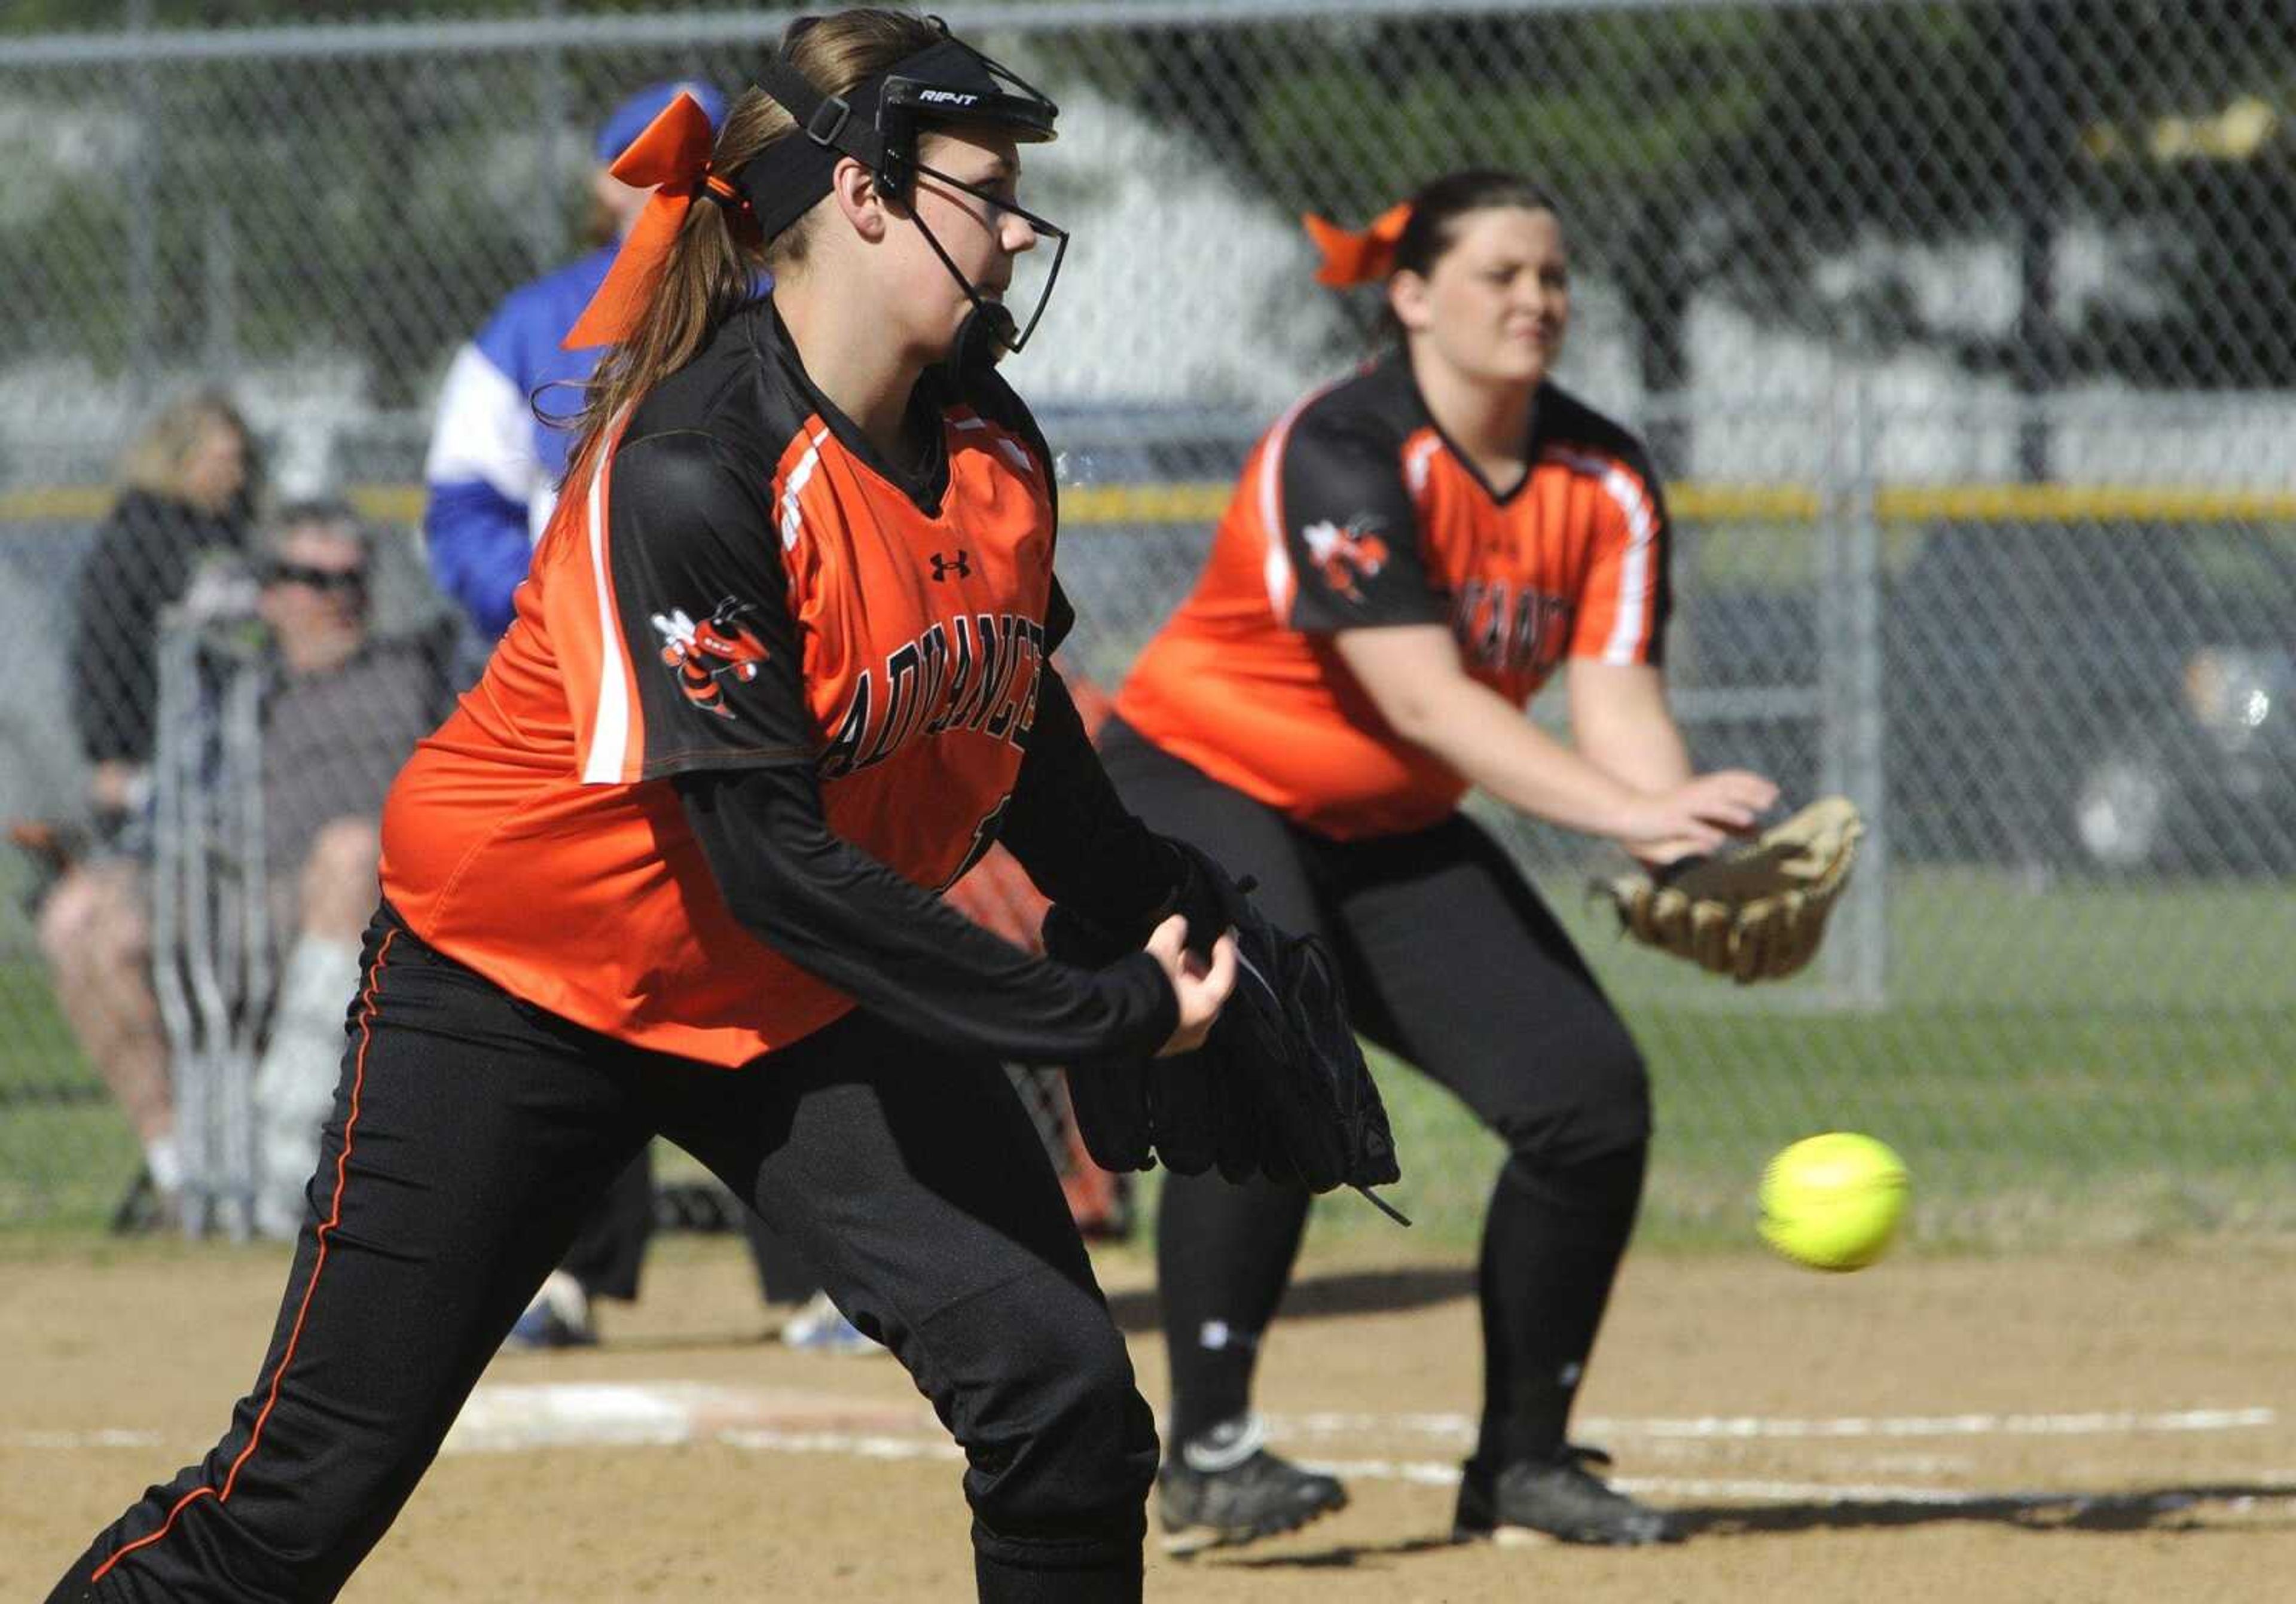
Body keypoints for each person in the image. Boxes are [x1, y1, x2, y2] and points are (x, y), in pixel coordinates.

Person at [47, 11, 1235, 1602]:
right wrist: (1079, 1008)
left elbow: (1012, 721)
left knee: (1066, 1401)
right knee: (295, 1504)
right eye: (985, 183)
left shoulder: (988, 441)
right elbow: (770, 860)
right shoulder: (694, 460)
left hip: (787, 990)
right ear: (865, 197)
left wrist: (1170, 901)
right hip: (520, 978)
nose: (1020, 224)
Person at [1098, 170, 1779, 1554]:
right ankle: (1211, 1449)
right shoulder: (1342, 446)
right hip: (1200, 774)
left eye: (1551, 276)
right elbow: (1418, 696)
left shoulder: (1601, 475)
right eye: (1498, 275)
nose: (1534, 300)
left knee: (1587, 1099)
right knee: (1267, 1031)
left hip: (1387, 825)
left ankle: (1522, 1463)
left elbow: (1617, 703)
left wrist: (1689, 838)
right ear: (1408, 295)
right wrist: (1620, 817)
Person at [423, 77, 836, 1355]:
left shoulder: (783, 307)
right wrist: (555, 604)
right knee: (583, 958)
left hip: (740, 680)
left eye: (691, 164)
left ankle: (819, 1277)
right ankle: (567, 1276)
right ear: (600, 187)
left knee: (773, 942)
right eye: (636, 168)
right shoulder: (531, 325)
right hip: (575, 693)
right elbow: (460, 505)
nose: (662, 189)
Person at [38, 501, 454, 1237]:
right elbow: (167, 808)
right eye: (309, 577)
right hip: (237, 886)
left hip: (372, 897)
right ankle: (178, 1175)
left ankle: (281, 1152)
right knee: (78, 917)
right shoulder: (233, 680)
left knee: (351, 850)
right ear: (270, 591)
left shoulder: (414, 664)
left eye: (350, 577)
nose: (336, 596)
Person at [38, 391, 260, 1211]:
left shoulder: (235, 540)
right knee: (71, 926)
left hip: (241, 812)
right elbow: (107, 724)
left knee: (120, 936)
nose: (233, 472)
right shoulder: (144, 538)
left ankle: (216, 1150)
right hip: (155, 804)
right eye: (220, 455)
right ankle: (173, 1159)